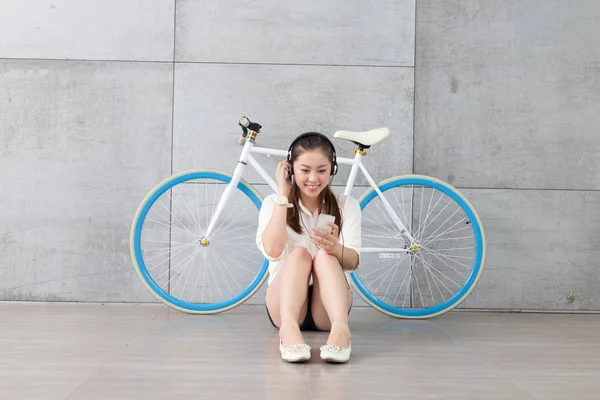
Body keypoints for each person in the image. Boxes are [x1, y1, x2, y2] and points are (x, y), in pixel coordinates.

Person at [255, 132, 361, 363]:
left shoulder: (347, 206)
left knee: (324, 256)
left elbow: (353, 262)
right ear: (290, 168)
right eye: (305, 170)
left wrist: (335, 248)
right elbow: (272, 251)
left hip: (330, 309)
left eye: (322, 171)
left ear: (332, 170)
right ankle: (289, 331)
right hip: (284, 304)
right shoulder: (273, 203)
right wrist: (283, 195)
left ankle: (341, 331)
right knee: (299, 254)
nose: (313, 179)